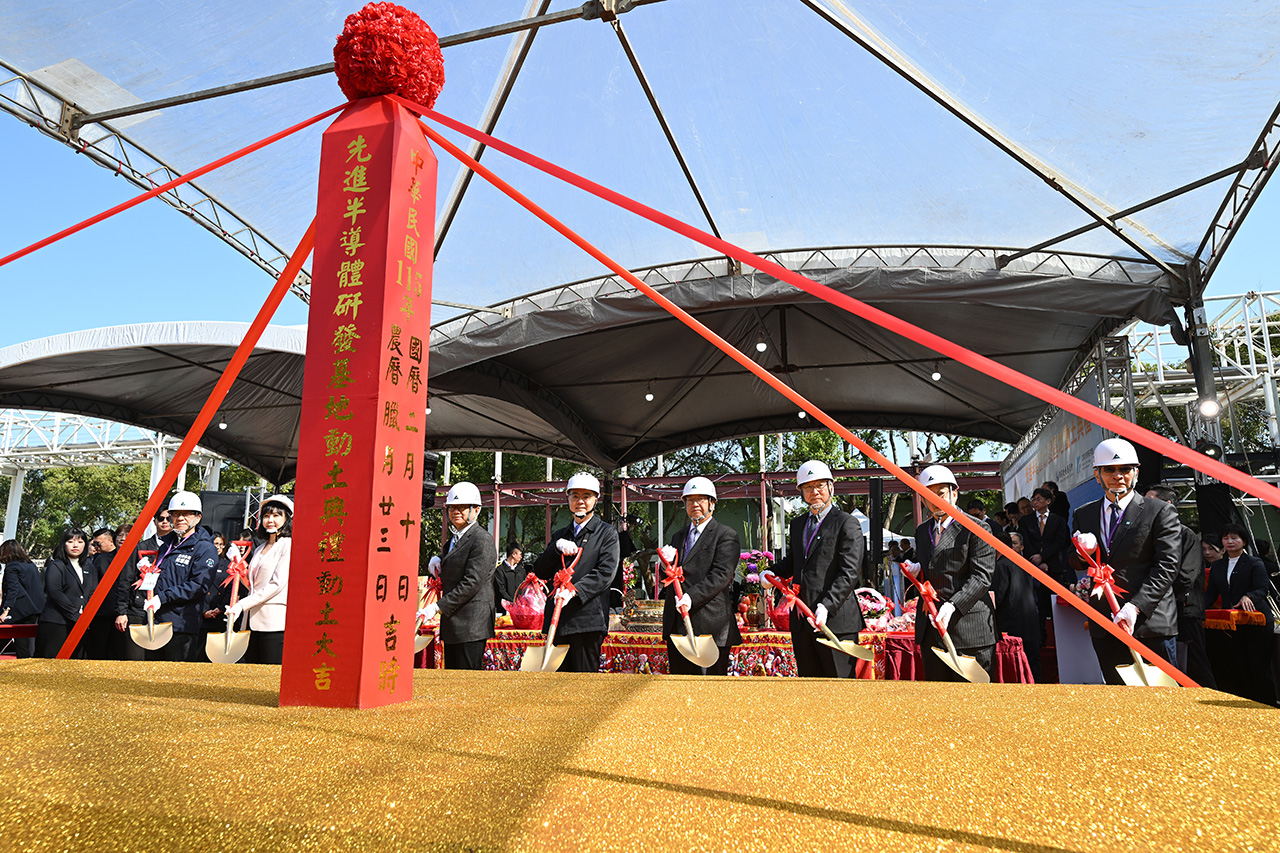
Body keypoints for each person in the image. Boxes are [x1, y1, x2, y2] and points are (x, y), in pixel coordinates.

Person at [1071, 438, 1180, 685]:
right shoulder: (1084, 514)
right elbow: (1076, 563)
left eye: (1125, 469)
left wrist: (1135, 606)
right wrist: (1081, 552)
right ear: (1097, 475)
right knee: (1119, 700)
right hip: (1105, 622)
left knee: (1164, 704)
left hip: (1149, 623)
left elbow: (1167, 566)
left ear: (1136, 472)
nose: (1117, 475)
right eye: (1109, 469)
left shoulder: (1159, 511)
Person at [764, 461, 864, 679]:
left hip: (836, 621)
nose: (814, 492)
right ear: (801, 492)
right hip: (803, 621)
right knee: (810, 686)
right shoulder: (798, 524)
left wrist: (827, 606)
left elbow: (849, 572)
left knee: (840, 689)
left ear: (831, 487)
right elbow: (795, 560)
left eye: (820, 485)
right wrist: (770, 572)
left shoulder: (847, 523)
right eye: (808, 487)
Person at [908, 465, 997, 681]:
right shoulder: (922, 530)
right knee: (938, 700)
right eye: (928, 494)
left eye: (941, 493)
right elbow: (933, 565)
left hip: (969, 629)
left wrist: (952, 605)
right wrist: (919, 569)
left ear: (954, 493)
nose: (935, 499)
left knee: (974, 702)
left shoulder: (976, 528)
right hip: (932, 628)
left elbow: (981, 576)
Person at [531, 472, 619, 673]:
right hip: (559, 620)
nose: (580, 501)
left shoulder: (606, 533)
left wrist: (574, 591)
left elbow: (605, 573)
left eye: (586, 496)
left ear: (595, 499)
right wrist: (555, 548)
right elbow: (540, 570)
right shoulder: (560, 534)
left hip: (587, 621)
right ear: (568, 499)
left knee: (583, 687)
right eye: (575, 496)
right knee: (557, 687)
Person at [660, 477, 741, 676]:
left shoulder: (725, 535)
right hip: (678, 625)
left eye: (701, 499)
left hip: (710, 624)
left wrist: (691, 597)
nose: (695, 504)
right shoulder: (678, 536)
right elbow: (675, 574)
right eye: (690, 500)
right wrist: (666, 565)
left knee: (709, 692)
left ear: (712, 503)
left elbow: (722, 575)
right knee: (681, 688)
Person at [1144, 484, 1215, 689]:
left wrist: (1155, 594)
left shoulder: (1185, 535)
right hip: (1160, 612)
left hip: (1184, 610)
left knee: (1194, 665)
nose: (1144, 505)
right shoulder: (1151, 533)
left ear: (1166, 504)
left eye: (1150, 500)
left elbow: (1186, 576)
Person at [419, 483, 496, 671]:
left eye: (462, 508)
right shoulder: (453, 539)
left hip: (472, 624)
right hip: (455, 623)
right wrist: (440, 560)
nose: (456, 512)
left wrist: (438, 607)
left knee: (467, 684)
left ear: (476, 510)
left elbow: (472, 582)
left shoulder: (481, 539)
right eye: (452, 508)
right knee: (453, 680)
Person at [1204, 523, 1276, 705]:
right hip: (1232, 622)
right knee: (1236, 663)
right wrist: (1198, 609)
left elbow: (1262, 588)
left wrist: (1248, 596)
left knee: (1258, 665)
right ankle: (1240, 701)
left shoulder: (1255, 562)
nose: (1230, 541)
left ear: (1244, 541)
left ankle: (1264, 703)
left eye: (1234, 538)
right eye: (1226, 538)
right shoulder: (1218, 566)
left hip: (1256, 620)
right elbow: (1211, 594)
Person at [144, 492, 219, 662]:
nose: (180, 518)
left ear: (198, 517)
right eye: (176, 514)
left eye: (186, 514)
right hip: (155, 621)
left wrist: (162, 597)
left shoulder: (204, 548)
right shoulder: (166, 544)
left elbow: (198, 585)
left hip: (181, 624)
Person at [226, 495, 293, 665]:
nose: (270, 520)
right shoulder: (260, 548)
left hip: (273, 622)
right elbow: (252, 585)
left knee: (269, 675)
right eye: (266, 515)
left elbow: (276, 584)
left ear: (286, 519)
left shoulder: (288, 545)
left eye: (276, 516)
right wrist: (238, 566)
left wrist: (242, 605)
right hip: (250, 620)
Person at [115, 508, 176, 661]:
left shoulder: (179, 548)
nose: (164, 522)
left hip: (166, 610)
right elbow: (125, 580)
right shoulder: (141, 547)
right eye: (161, 518)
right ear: (154, 521)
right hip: (138, 610)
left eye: (169, 519)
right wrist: (121, 611)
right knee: (135, 661)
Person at [1018, 486, 1072, 640]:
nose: (1035, 502)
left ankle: (1061, 637)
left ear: (1048, 501)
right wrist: (1036, 560)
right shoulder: (1026, 521)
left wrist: (1043, 557)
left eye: (1038, 499)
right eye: (1033, 499)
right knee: (1038, 605)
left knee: (1057, 604)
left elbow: (1060, 542)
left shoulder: (1058, 520)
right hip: (1034, 567)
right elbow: (1025, 542)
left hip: (1055, 567)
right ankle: (1041, 638)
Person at [35, 527, 95, 658]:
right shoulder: (56, 565)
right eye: (70, 541)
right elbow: (55, 593)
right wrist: (75, 615)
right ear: (64, 544)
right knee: (50, 667)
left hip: (80, 624)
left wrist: (85, 617)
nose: (75, 545)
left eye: (80, 542)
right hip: (56, 623)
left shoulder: (89, 566)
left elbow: (92, 592)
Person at [992, 532, 1041, 682]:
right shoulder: (1024, 562)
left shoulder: (1001, 565)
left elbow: (997, 596)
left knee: (1016, 664)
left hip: (1011, 621)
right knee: (1033, 662)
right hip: (1030, 619)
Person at [0, 540, 44, 658]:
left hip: (22, 609)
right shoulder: (30, 565)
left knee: (21, 643)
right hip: (36, 608)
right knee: (30, 642)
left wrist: (6, 610)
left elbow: (13, 589)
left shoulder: (11, 567)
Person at [198, 532, 236, 662]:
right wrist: (204, 610)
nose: (218, 547)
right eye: (215, 544)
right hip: (201, 614)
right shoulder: (201, 563)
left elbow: (230, 590)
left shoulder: (228, 565)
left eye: (221, 544)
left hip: (219, 614)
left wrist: (219, 609)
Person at [493, 542, 524, 616]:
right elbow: (500, 591)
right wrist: (512, 602)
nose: (521, 557)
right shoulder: (499, 571)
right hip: (503, 610)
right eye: (520, 554)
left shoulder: (521, 571)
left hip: (520, 610)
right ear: (513, 554)